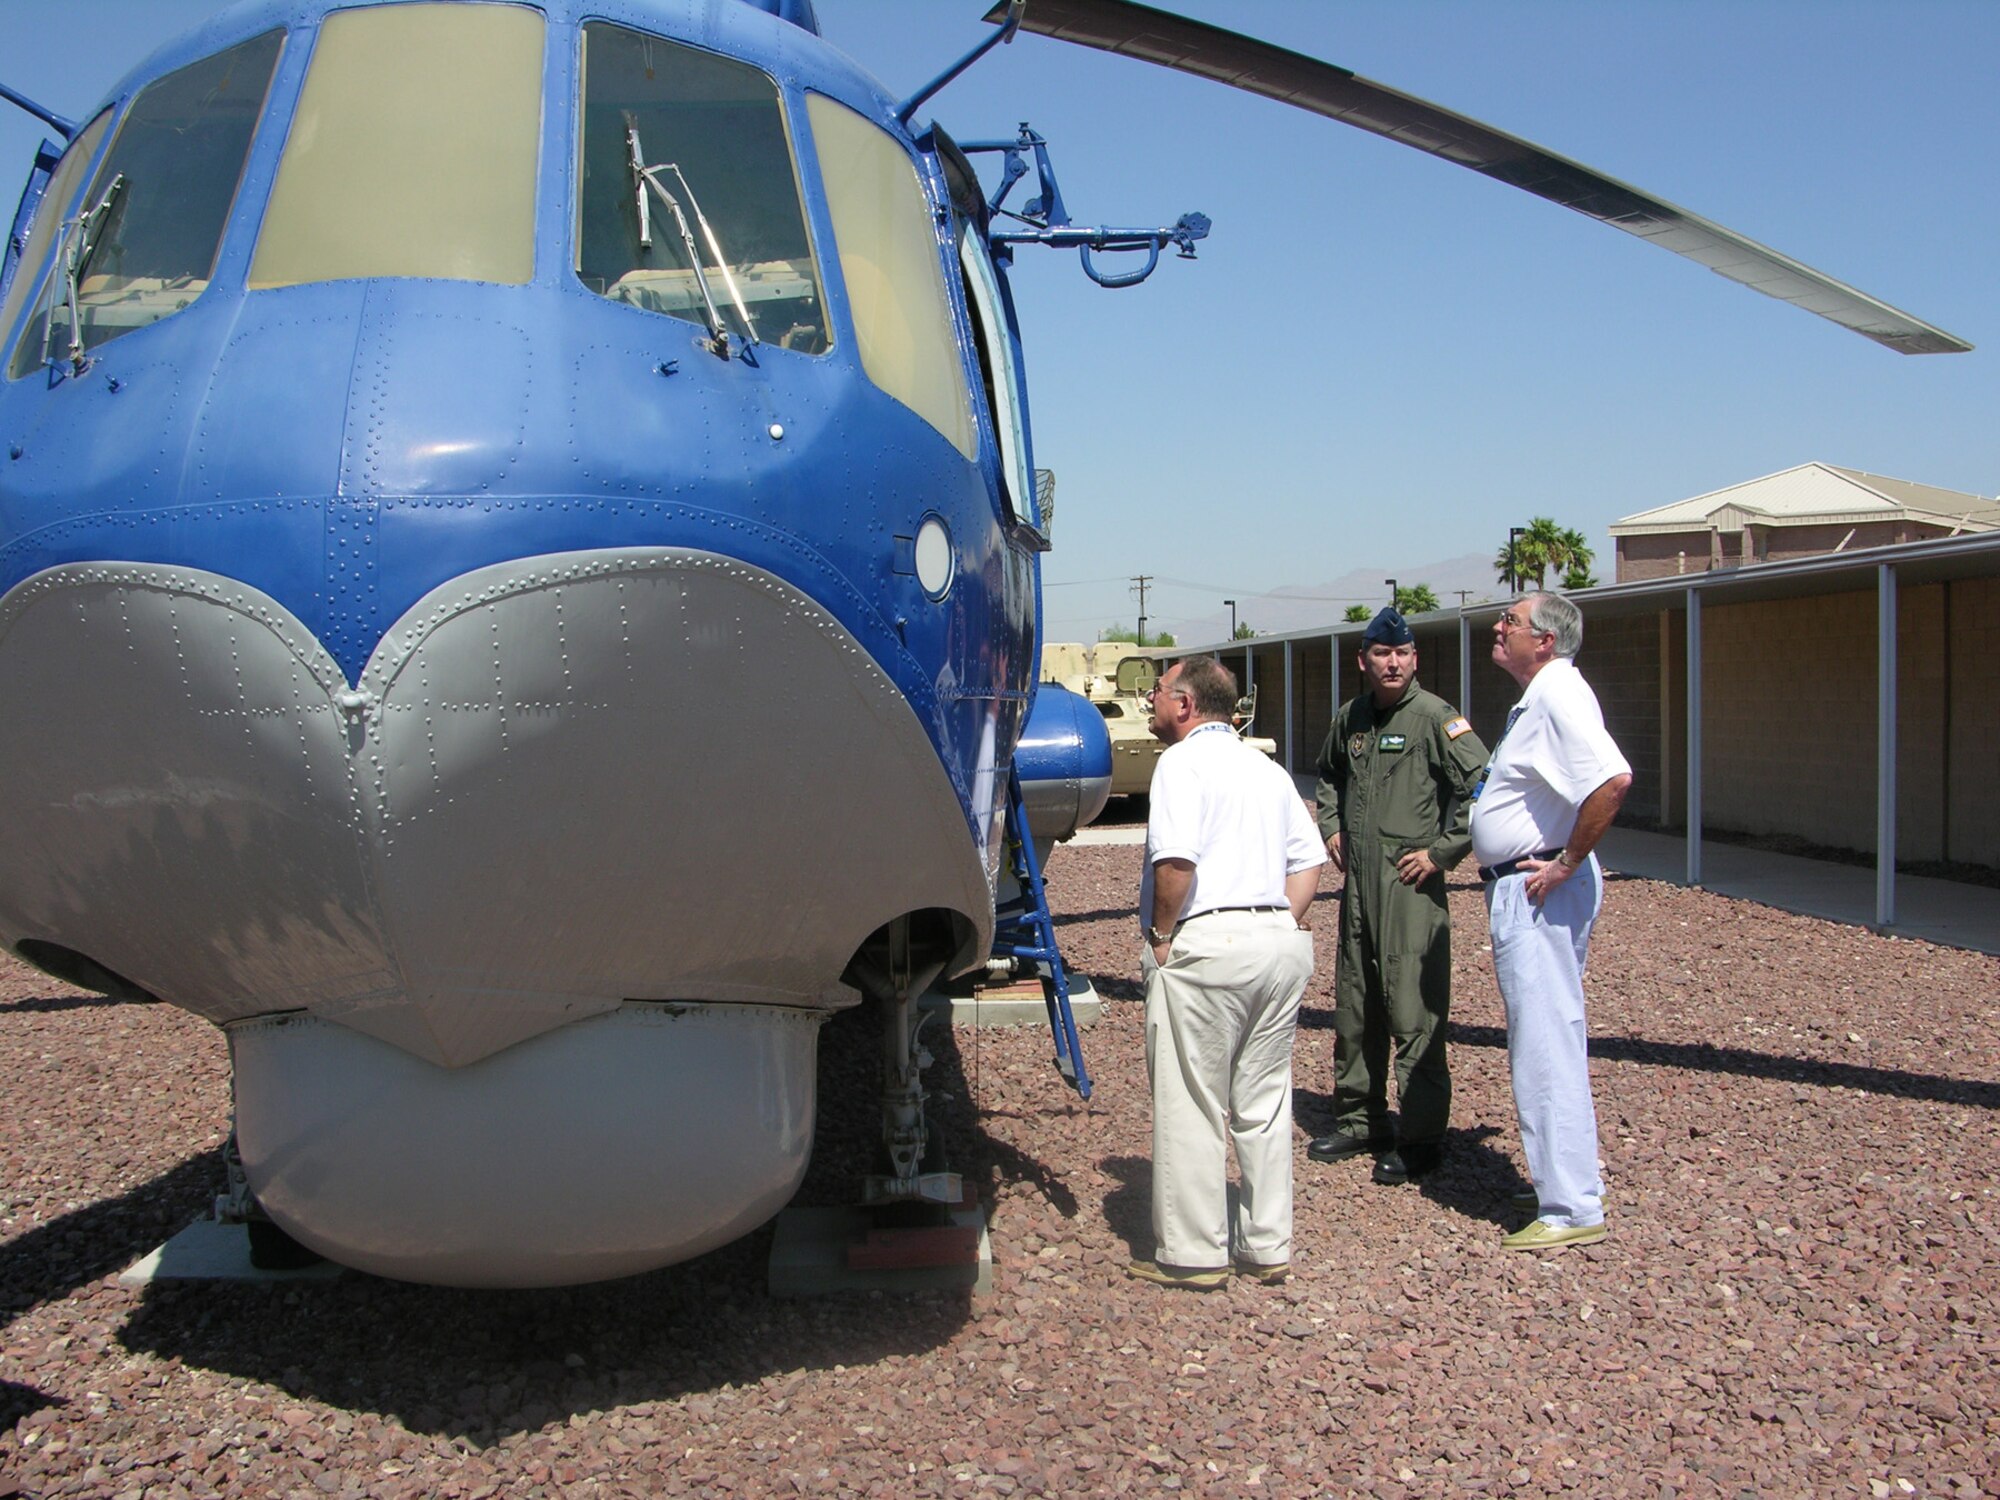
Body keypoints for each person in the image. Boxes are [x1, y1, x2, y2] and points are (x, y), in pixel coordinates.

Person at [1128, 655, 1325, 1290]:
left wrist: (1161, 936)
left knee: (1192, 1101)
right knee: (1264, 1102)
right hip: (1277, 941)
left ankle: (1194, 1254)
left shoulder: (1181, 764)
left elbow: (1176, 863)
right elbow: (1309, 859)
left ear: (1185, 705)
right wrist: (1275, 922)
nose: (1151, 701)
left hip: (1206, 943)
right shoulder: (1265, 768)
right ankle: (1267, 1245)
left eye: (1157, 691)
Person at [1469, 592, 1632, 1251]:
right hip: (1526, 888)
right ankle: (1561, 1184)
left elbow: (1612, 781)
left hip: (1536, 889)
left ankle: (1570, 1208)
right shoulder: (1541, 695)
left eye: (1510, 620)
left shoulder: (1560, 694)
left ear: (1545, 640)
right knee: (1547, 1036)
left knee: (1544, 1045)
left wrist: (1567, 861)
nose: (1498, 627)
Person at [1306, 607, 1488, 1185]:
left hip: (1410, 887)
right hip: (1359, 885)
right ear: (1364, 661)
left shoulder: (1437, 718)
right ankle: (1361, 1117)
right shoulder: (1353, 718)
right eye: (1382, 654)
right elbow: (1329, 775)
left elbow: (1482, 784)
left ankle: (1423, 1134)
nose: (1393, 662)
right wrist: (1330, 826)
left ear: (1414, 660)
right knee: (1357, 1002)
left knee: (1414, 1007)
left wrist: (1441, 852)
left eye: (1402, 654)